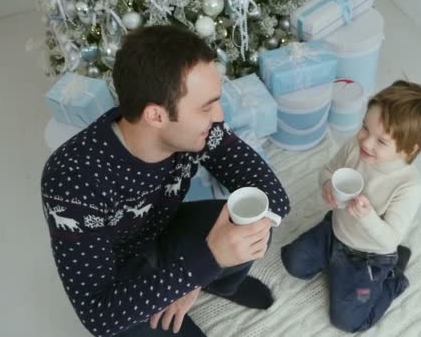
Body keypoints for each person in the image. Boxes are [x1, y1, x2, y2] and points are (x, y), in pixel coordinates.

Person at [40, 25, 290, 337]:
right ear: (156, 116)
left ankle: (223, 284)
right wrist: (205, 262)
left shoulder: (201, 131)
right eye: (205, 106)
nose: (218, 117)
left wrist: (201, 272)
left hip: (165, 232)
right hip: (119, 276)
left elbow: (274, 197)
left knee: (249, 225)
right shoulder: (71, 180)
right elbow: (98, 314)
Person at [281, 80, 421, 332]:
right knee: (292, 261)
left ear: (409, 149)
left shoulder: (409, 187)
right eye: (365, 128)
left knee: (347, 321)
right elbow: (328, 171)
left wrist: (367, 217)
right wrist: (327, 185)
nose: (366, 142)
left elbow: (388, 240)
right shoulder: (355, 146)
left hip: (369, 258)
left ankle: (393, 278)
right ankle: (334, 266)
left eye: (381, 141)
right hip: (334, 232)